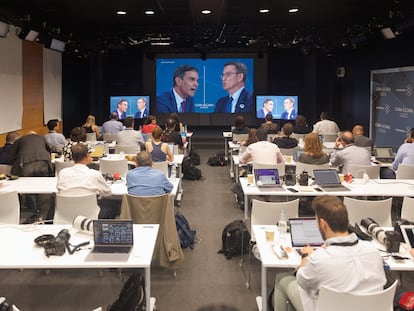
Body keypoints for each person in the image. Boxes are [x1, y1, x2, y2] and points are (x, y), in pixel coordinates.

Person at [273, 195, 386, 311]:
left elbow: (302, 280)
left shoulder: (319, 259)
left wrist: (306, 256)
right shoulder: (372, 251)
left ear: (323, 224)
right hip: (369, 307)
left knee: (282, 279)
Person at [56, 143, 119, 218]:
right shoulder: (94, 174)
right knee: (115, 205)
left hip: (64, 214)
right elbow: (107, 193)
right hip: (90, 215)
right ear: (87, 156)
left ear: (72, 158)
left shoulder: (62, 173)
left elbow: (59, 189)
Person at [8, 131, 53, 221]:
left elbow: (11, 157)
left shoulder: (20, 140)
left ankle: (32, 212)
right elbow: (50, 149)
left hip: (26, 162)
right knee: (42, 186)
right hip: (43, 161)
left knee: (28, 187)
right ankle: (43, 213)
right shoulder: (42, 137)